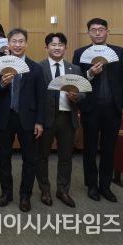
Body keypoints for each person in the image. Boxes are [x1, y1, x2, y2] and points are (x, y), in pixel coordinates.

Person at [72, 18, 123, 202]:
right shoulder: (80, 53)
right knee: (90, 148)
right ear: (89, 33)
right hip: (91, 108)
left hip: (113, 108)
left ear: (107, 32)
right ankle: (92, 185)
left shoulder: (119, 52)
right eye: (93, 30)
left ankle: (105, 186)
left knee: (108, 149)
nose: (97, 33)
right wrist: (90, 73)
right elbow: (76, 81)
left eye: (101, 29)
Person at [0, 28, 46, 212]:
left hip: (28, 119)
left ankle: (25, 195)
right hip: (5, 117)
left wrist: (39, 121)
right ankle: (6, 193)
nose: (17, 45)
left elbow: (42, 97)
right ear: (8, 44)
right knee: (4, 158)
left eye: (21, 41)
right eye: (14, 41)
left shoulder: (36, 68)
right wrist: (2, 83)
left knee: (29, 160)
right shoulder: (0, 65)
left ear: (26, 44)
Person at [36, 33, 84, 208]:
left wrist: (76, 97)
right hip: (45, 119)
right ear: (46, 47)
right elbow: (34, 95)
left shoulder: (74, 69)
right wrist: (37, 120)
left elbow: (84, 94)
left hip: (67, 118)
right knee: (42, 156)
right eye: (53, 44)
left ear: (65, 47)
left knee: (66, 157)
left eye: (61, 45)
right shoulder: (38, 68)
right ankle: (45, 190)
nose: (57, 48)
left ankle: (63, 190)